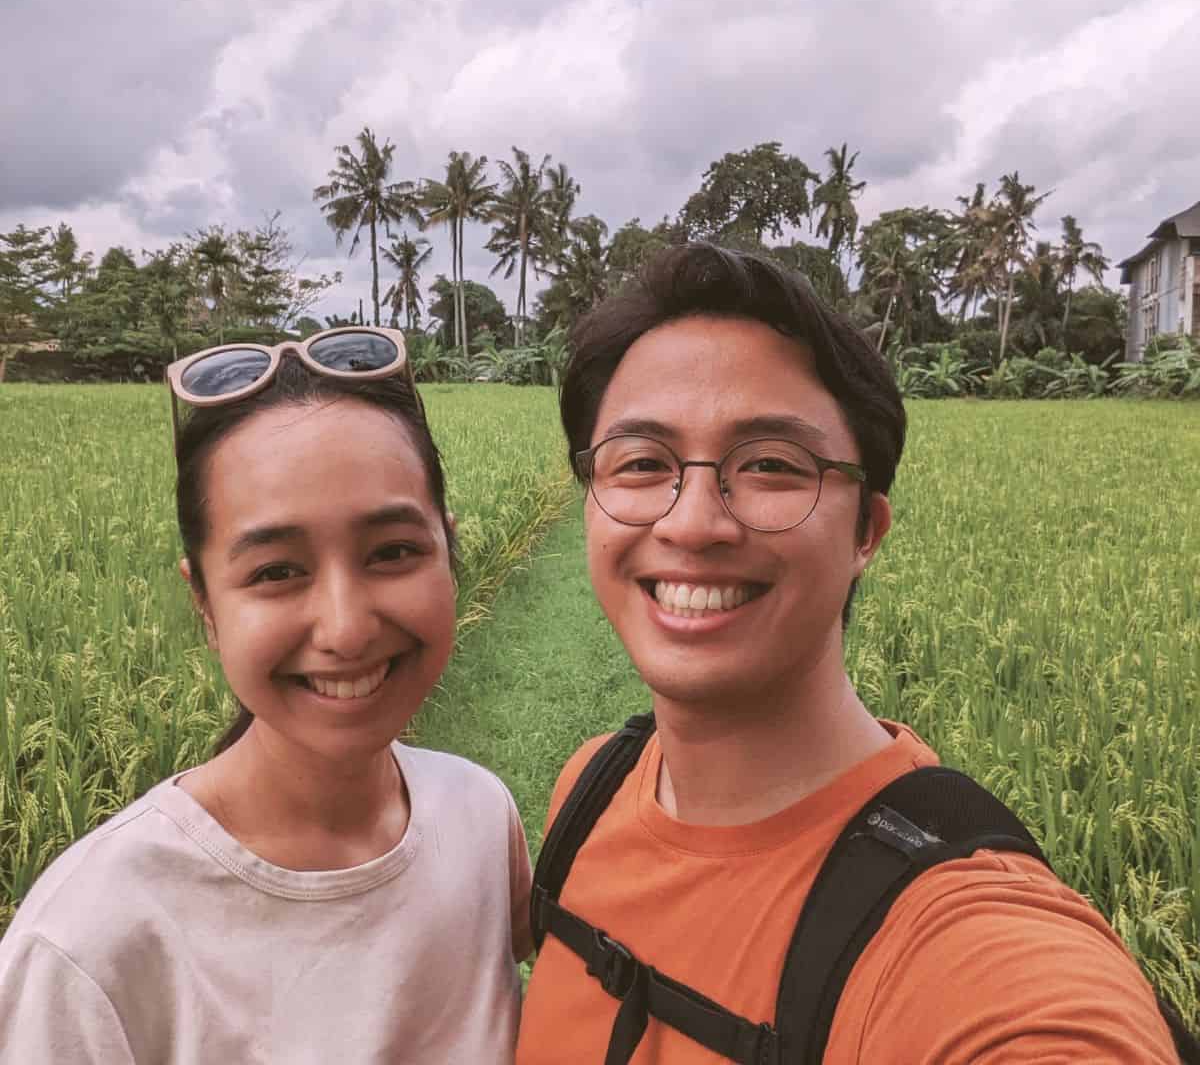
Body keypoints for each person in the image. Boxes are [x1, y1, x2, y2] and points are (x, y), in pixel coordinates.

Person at [515, 244, 1177, 1063]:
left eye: (768, 465)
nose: (692, 523)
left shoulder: (963, 947)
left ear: (867, 530)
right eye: (642, 463)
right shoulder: (592, 791)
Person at [0, 329, 533, 1063]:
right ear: (206, 606)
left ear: (448, 549)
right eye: (277, 571)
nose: (346, 630)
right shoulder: (88, 946)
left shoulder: (479, 816)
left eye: (393, 552)